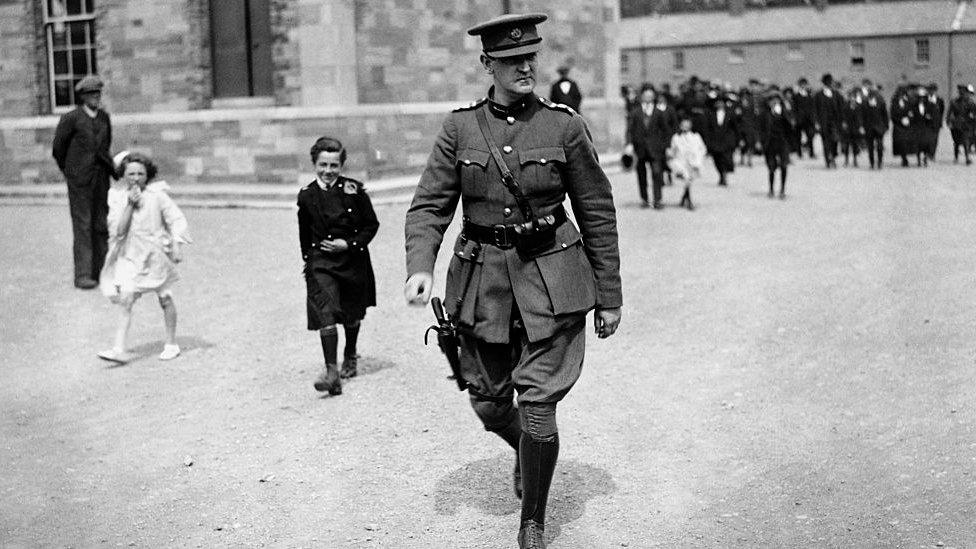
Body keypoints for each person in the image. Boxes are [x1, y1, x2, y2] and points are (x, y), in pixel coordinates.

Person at [403, 13, 622, 549]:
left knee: (539, 406)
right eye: (511, 61)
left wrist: (610, 297)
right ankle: (524, 445)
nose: (525, 68)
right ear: (487, 65)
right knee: (488, 402)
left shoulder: (563, 126)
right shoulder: (459, 128)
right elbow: (430, 205)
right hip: (483, 286)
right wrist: (419, 265)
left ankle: (534, 519)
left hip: (553, 280)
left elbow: (596, 208)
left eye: (530, 59)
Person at [298, 137, 379, 395]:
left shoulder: (354, 190)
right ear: (315, 164)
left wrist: (350, 244)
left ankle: (350, 353)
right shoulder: (307, 196)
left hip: (352, 261)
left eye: (334, 165)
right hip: (322, 264)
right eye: (323, 164)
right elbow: (304, 233)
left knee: (352, 313)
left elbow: (371, 225)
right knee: (326, 312)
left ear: (341, 166)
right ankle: (332, 371)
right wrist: (310, 262)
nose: (328, 171)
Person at [97, 153, 190, 364]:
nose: (136, 178)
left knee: (165, 297)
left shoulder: (158, 196)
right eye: (131, 173)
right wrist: (130, 204)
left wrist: (177, 244)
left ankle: (171, 344)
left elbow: (176, 219)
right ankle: (118, 348)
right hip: (130, 255)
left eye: (141, 173)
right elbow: (119, 231)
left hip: (155, 254)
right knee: (126, 299)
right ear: (123, 175)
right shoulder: (117, 198)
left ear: (148, 175)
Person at [52, 75, 114, 289]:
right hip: (80, 181)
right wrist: (71, 171)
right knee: (83, 225)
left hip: (101, 179)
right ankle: (83, 275)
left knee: (101, 223)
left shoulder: (104, 118)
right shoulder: (71, 118)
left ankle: (103, 272)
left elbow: (105, 147)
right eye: (91, 94)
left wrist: (113, 170)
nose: (95, 98)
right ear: (83, 97)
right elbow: (58, 149)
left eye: (97, 94)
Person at [625, 84, 673, 208]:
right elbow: (629, 129)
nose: (648, 98)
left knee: (657, 173)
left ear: (653, 97)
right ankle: (644, 199)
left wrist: (666, 146)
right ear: (641, 96)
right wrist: (629, 144)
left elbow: (665, 130)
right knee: (641, 175)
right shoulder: (635, 112)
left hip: (655, 148)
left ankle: (657, 199)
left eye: (650, 95)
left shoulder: (659, 112)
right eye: (646, 95)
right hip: (640, 148)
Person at [667, 116, 707, 210]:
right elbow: (672, 150)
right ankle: (689, 201)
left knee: (688, 180)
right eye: (683, 125)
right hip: (681, 162)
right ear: (680, 126)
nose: (685, 127)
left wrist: (698, 158)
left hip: (693, 162)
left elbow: (702, 149)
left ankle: (684, 197)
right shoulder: (676, 137)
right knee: (686, 178)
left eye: (687, 125)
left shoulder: (696, 137)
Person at [759, 92, 794, 198]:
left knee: (784, 165)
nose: (774, 102)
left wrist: (784, 113)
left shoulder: (785, 112)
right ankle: (771, 189)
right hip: (770, 143)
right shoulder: (765, 113)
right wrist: (760, 142)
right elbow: (760, 128)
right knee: (771, 167)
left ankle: (782, 189)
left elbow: (791, 126)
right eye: (772, 100)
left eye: (776, 100)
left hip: (783, 142)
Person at [704, 94, 739, 186]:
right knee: (717, 160)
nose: (719, 104)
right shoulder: (711, 114)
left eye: (721, 102)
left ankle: (724, 176)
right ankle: (721, 174)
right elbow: (708, 128)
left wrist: (737, 140)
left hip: (727, 140)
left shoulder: (730, 113)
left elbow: (735, 127)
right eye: (717, 103)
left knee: (726, 159)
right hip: (715, 140)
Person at [814, 73, 842, 169]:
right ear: (824, 83)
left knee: (835, 141)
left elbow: (841, 107)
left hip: (834, 122)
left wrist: (842, 121)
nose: (829, 84)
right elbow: (815, 110)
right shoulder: (818, 95)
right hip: (823, 122)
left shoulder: (836, 94)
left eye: (830, 82)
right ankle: (828, 161)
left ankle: (833, 156)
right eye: (827, 82)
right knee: (826, 142)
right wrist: (817, 122)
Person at [862, 82, 889, 170]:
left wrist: (886, 126)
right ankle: (872, 162)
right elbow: (863, 115)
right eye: (871, 92)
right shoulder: (865, 102)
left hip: (879, 127)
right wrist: (862, 126)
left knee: (880, 145)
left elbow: (885, 114)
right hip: (869, 127)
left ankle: (880, 162)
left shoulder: (881, 101)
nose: (872, 94)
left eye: (874, 92)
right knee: (870, 146)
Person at [947, 84, 976, 165]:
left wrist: (972, 118)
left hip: (966, 125)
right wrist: (948, 122)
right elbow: (949, 113)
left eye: (964, 93)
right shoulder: (954, 102)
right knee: (956, 142)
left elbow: (974, 113)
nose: (963, 95)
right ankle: (956, 157)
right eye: (961, 93)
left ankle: (967, 158)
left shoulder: (970, 103)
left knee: (966, 140)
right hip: (956, 125)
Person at [793, 78, 817, 159]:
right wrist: (795, 118)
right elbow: (794, 108)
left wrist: (813, 117)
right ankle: (799, 153)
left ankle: (811, 153)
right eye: (801, 84)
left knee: (810, 136)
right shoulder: (796, 96)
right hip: (799, 119)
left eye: (804, 84)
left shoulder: (809, 96)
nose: (803, 86)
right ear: (799, 85)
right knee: (798, 137)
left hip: (808, 119)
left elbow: (812, 107)